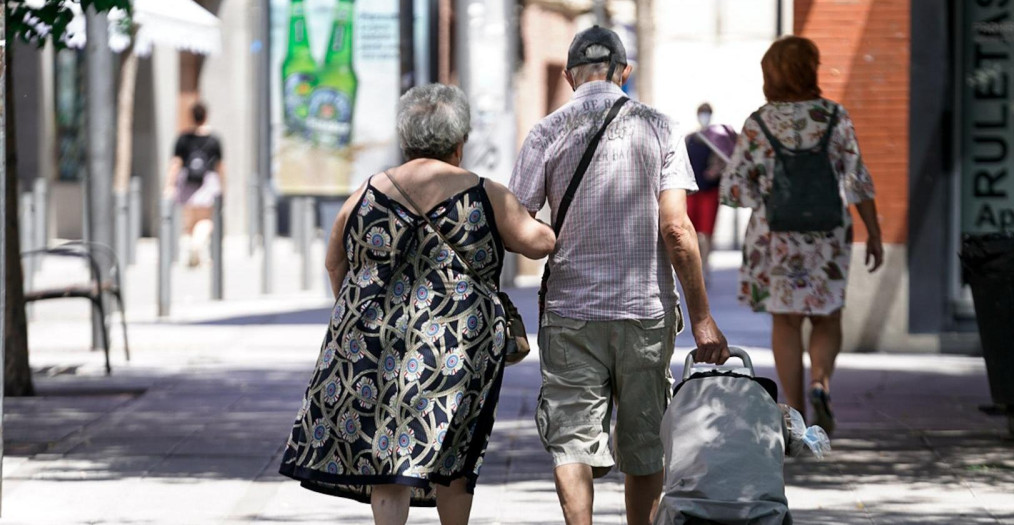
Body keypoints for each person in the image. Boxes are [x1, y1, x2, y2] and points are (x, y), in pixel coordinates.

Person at [278, 84, 555, 525]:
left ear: (405, 139)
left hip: (377, 345)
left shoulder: (365, 193)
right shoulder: (485, 193)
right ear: (459, 142)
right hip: (458, 347)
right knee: (455, 457)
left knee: (387, 460)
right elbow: (538, 243)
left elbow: (335, 263)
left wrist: (363, 316)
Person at [509, 26, 729, 525]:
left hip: (570, 314)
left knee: (571, 445)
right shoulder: (661, 127)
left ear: (568, 78)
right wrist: (702, 320)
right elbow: (676, 228)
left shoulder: (546, 131)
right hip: (645, 313)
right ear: (625, 72)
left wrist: (547, 238)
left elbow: (517, 225)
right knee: (645, 445)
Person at [720, 36, 884, 436]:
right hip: (827, 235)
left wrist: (764, 189)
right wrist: (875, 233)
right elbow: (858, 179)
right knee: (827, 317)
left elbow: (733, 190)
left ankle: (794, 414)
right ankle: (820, 384)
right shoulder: (833, 117)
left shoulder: (759, 124)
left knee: (787, 322)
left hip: (776, 238)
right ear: (809, 69)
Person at [164, 102, 225, 267]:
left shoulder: (183, 139)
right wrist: (222, 186)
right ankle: (197, 246)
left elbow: (175, 163)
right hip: (208, 181)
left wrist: (169, 185)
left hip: (187, 182)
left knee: (190, 222)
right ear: (206, 116)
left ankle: (194, 250)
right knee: (206, 219)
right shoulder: (214, 140)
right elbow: (220, 166)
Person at [684, 103, 737, 278]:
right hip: (692, 191)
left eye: (706, 113)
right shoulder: (691, 138)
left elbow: (726, 160)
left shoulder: (717, 138)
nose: (704, 116)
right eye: (702, 113)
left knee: (706, 231)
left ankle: (704, 266)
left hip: (710, 191)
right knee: (691, 230)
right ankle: (694, 263)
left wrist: (715, 171)